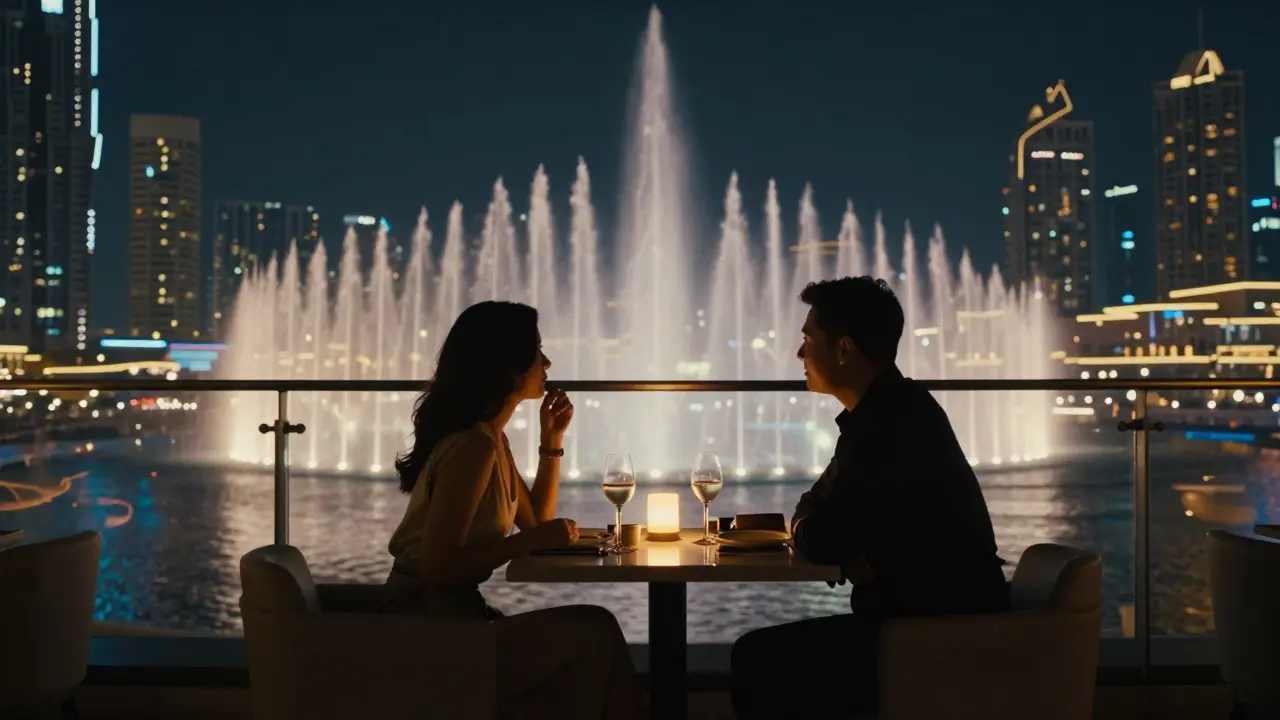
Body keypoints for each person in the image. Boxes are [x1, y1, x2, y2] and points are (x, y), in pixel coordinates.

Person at [730, 276, 1009, 717]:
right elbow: (813, 506)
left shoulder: (891, 425)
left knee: (756, 658)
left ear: (844, 349)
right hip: (926, 622)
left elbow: (825, 536)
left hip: (934, 635)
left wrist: (837, 540)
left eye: (807, 340)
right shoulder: (884, 413)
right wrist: (839, 542)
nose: (799, 354)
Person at [382, 300, 644, 719]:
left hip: (450, 617)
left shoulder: (491, 440)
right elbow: (437, 566)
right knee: (596, 633)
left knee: (595, 639)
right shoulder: (474, 446)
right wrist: (526, 544)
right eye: (537, 351)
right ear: (508, 366)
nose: (547, 362)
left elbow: (537, 518)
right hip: (429, 628)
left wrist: (551, 438)